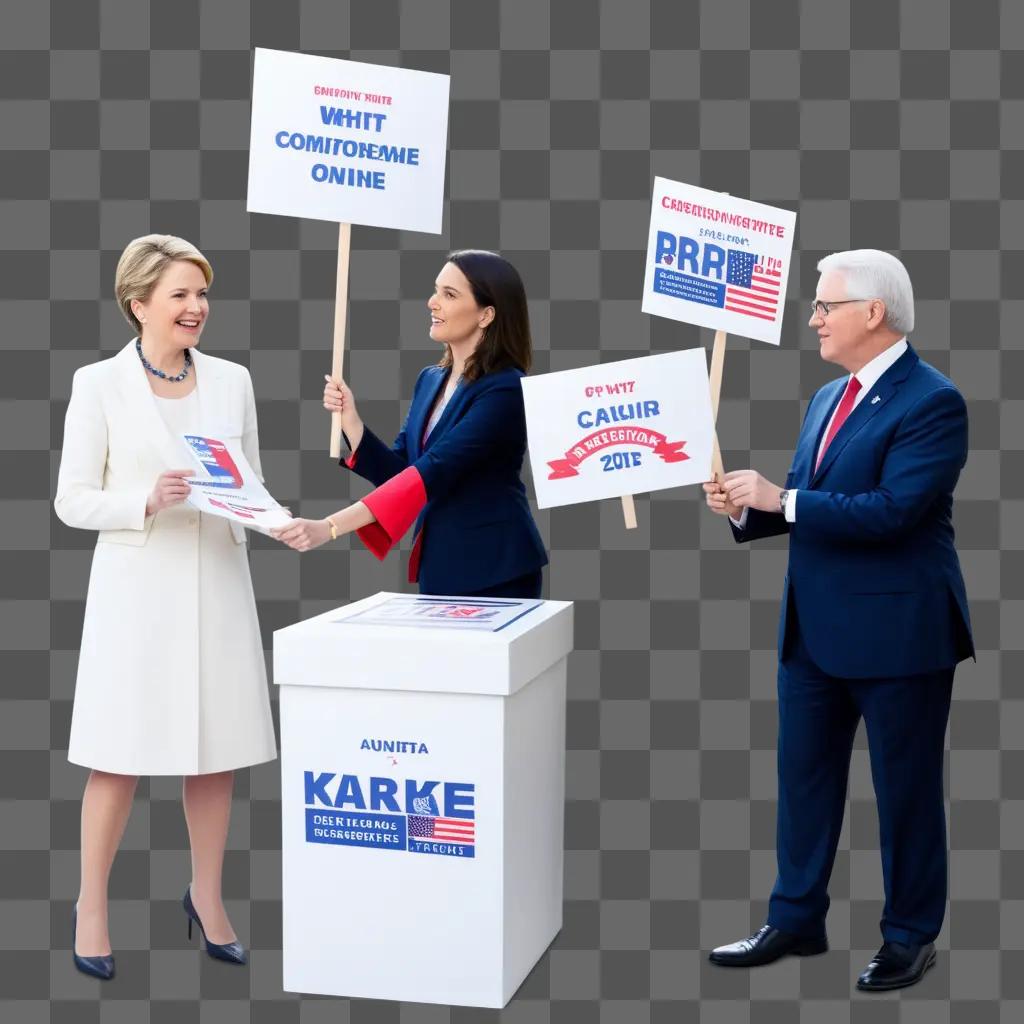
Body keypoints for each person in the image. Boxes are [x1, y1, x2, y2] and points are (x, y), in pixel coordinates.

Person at [703, 249, 973, 992]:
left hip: (901, 637)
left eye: (825, 305)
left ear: (873, 313)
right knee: (804, 783)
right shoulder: (828, 397)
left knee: (907, 792)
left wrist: (781, 500)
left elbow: (892, 513)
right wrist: (745, 509)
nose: (814, 318)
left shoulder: (934, 402)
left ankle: (911, 936)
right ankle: (794, 918)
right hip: (813, 633)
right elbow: (808, 500)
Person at [54, 234, 276, 979]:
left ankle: (208, 900)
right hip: (138, 595)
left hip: (216, 580)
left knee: (217, 755)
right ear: (138, 303)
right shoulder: (98, 385)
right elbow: (72, 500)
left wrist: (285, 522)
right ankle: (90, 907)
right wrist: (143, 499)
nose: (196, 308)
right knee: (118, 756)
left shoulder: (234, 381)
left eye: (202, 294)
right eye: (180, 294)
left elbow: (249, 484)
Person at [272, 249, 549, 598]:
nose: (432, 302)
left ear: (486, 314)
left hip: (495, 566)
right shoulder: (430, 379)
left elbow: (433, 471)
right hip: (440, 561)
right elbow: (401, 471)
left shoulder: (506, 389)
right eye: (436, 290)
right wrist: (351, 420)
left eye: (449, 294)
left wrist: (329, 527)